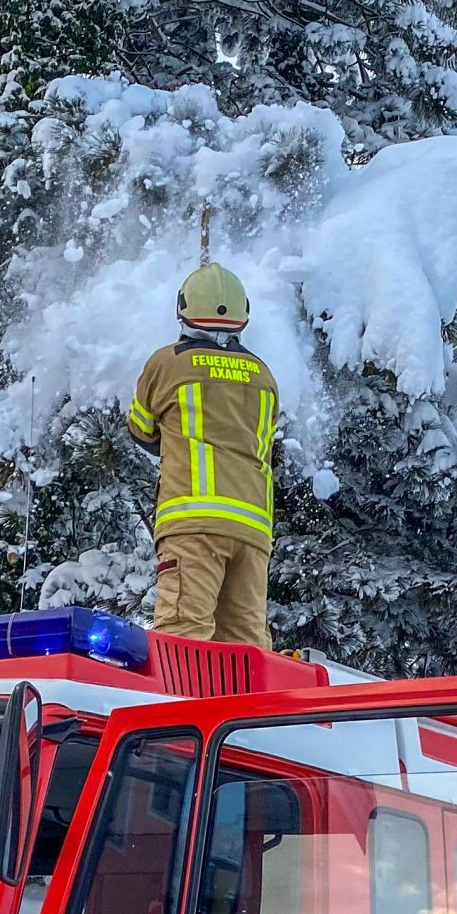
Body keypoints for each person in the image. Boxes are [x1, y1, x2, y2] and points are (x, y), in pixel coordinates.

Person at [127, 260, 280, 647]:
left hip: (193, 523)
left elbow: (141, 429)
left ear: (183, 308)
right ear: (244, 315)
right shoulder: (264, 375)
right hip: (253, 530)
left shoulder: (168, 362)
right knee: (244, 647)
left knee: (184, 636)